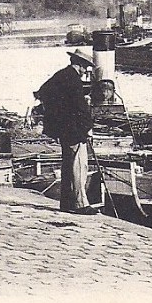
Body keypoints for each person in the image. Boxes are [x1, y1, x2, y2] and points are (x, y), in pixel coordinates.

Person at [34, 51, 96, 214]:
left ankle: (66, 203)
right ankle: (80, 204)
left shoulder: (60, 75)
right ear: (80, 65)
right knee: (78, 166)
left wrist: (56, 114)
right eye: (85, 68)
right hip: (75, 130)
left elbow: (42, 92)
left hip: (64, 129)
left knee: (68, 166)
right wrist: (87, 126)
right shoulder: (74, 80)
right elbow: (80, 108)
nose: (85, 72)